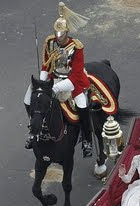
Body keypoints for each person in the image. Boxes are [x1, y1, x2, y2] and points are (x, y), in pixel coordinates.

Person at [23, 2, 93, 158]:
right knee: (29, 99)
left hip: (70, 82)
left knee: (82, 105)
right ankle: (33, 129)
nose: (58, 38)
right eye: (56, 34)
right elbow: (46, 65)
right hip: (52, 78)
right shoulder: (49, 42)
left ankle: (87, 140)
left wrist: (55, 89)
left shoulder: (77, 47)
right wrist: (41, 84)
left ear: (67, 33)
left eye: (61, 35)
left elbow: (75, 75)